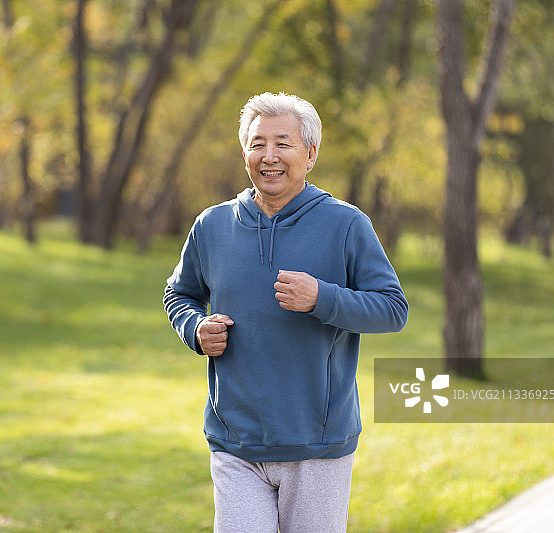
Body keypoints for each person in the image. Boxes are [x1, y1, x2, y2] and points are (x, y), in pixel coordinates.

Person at [163, 92, 408, 533]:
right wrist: (195, 328)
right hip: (234, 441)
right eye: (257, 144)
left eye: (283, 143)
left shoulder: (346, 224)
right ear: (244, 153)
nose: (269, 156)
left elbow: (392, 309)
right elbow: (179, 294)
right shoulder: (212, 225)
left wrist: (323, 299)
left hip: (317, 444)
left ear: (310, 154)